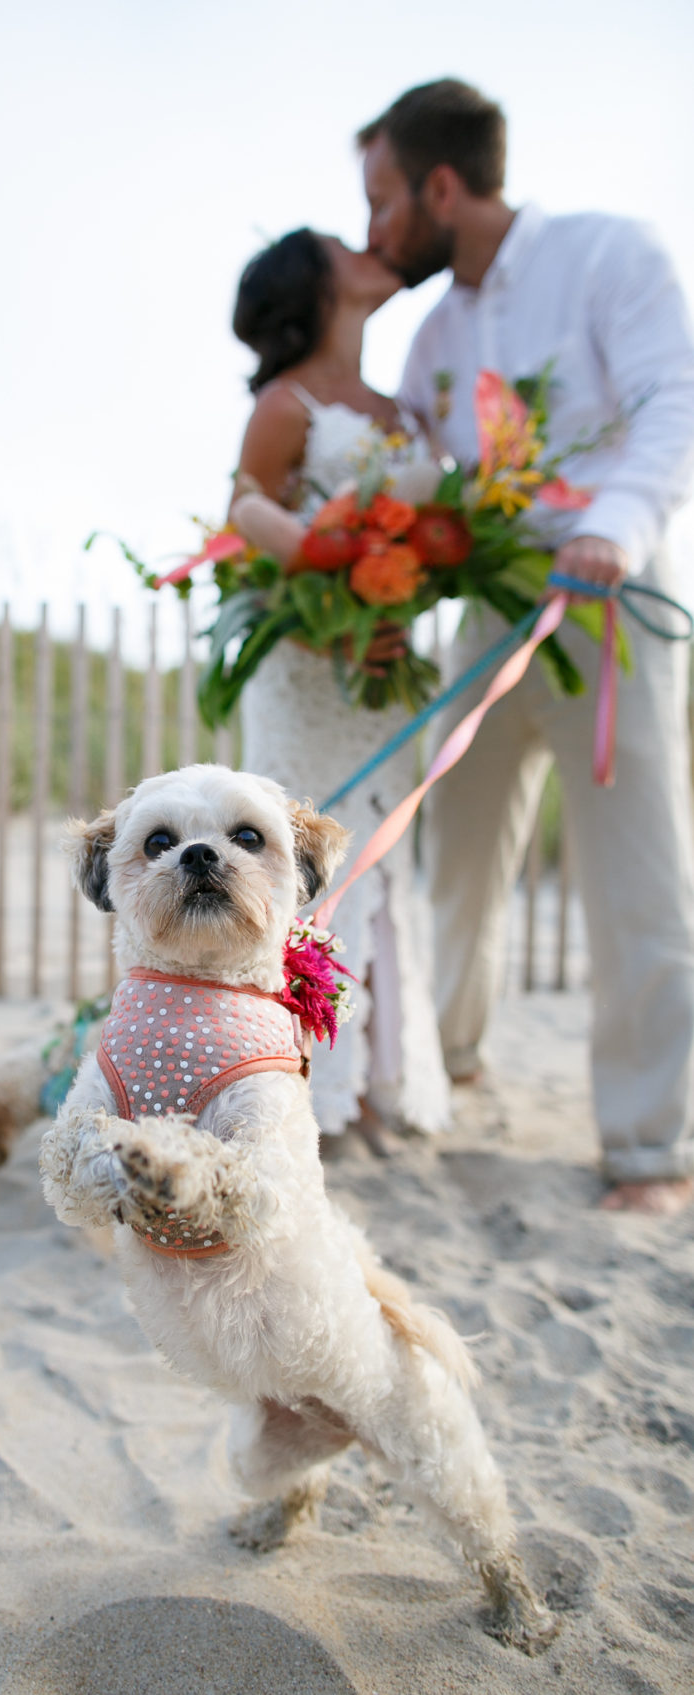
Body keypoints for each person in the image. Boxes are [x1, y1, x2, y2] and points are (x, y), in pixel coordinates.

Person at [358, 78, 694, 1213]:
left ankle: (648, 1148)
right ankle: (446, 1065)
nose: (374, 232)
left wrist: (610, 528)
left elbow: (673, 399)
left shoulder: (609, 256)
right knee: (453, 850)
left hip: (609, 600)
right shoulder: (433, 336)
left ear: (440, 187)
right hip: (492, 613)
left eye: (382, 202)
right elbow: (406, 475)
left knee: (633, 874)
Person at [226, 228, 452, 1152]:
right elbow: (241, 523)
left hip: (383, 671)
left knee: (383, 863)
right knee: (308, 861)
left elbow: (433, 537)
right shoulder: (287, 405)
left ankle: (373, 1085)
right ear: (312, 287)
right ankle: (300, 1084)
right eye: (338, 247)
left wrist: (401, 600)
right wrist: (331, 590)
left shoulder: (402, 409)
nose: (367, 248)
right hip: (308, 672)